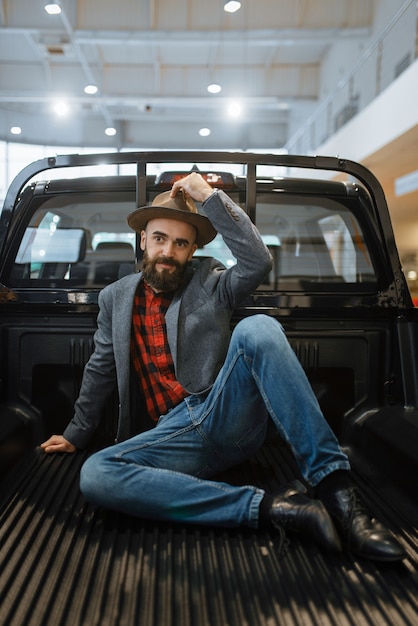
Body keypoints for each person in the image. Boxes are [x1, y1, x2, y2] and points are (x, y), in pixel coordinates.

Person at [41, 173, 404, 561]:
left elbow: (257, 261)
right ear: (143, 240)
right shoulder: (114, 298)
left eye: (181, 243)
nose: (168, 251)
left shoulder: (212, 282)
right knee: (96, 475)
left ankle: (338, 494)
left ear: (192, 249)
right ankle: (280, 510)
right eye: (160, 238)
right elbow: (100, 366)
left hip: (223, 417)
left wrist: (208, 196)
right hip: (171, 437)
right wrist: (77, 432)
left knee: (258, 327)